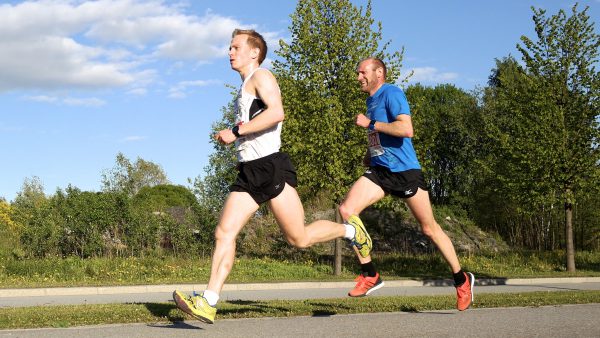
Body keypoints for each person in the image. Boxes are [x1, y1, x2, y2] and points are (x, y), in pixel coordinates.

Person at [172, 29, 372, 324]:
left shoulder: (261, 77)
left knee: (299, 238)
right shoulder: (244, 87)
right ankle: (208, 301)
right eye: (229, 47)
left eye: (235, 47)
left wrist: (236, 132)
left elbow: (277, 112)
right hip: (249, 172)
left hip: (270, 167)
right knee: (223, 232)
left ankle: (352, 232)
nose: (229, 52)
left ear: (254, 52)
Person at [341, 57, 474, 310]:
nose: (358, 77)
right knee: (347, 210)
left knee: (429, 229)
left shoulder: (392, 93)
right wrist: (371, 153)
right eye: (358, 73)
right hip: (381, 171)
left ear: (378, 73)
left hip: (405, 172)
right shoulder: (370, 101)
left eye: (362, 72)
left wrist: (370, 124)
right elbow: (381, 134)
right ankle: (370, 274)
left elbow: (406, 129)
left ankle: (461, 279)